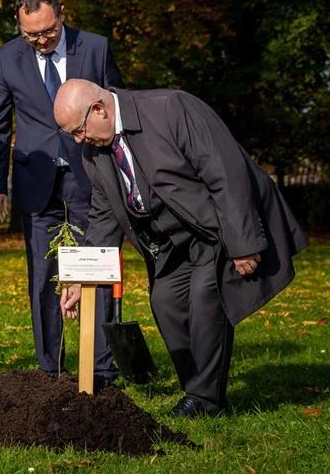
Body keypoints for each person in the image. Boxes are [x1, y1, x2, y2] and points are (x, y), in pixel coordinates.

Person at [54, 79, 308, 417]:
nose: (78, 140)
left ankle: (205, 400)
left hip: (212, 230)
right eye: (71, 134)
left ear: (98, 109)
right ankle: (198, 387)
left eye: (78, 130)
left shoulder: (172, 108)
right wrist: (78, 279)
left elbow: (226, 173)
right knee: (166, 303)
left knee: (206, 301)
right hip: (168, 243)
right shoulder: (95, 154)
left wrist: (243, 243)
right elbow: (104, 217)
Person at [0, 0, 122, 385]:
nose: (41, 41)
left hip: (91, 177)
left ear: (62, 14)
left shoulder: (95, 48)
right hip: (35, 181)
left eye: (48, 31)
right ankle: (51, 367)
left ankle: (101, 368)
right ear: (18, 26)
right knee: (44, 275)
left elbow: (115, 108)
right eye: (32, 35)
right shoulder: (7, 58)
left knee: (97, 268)